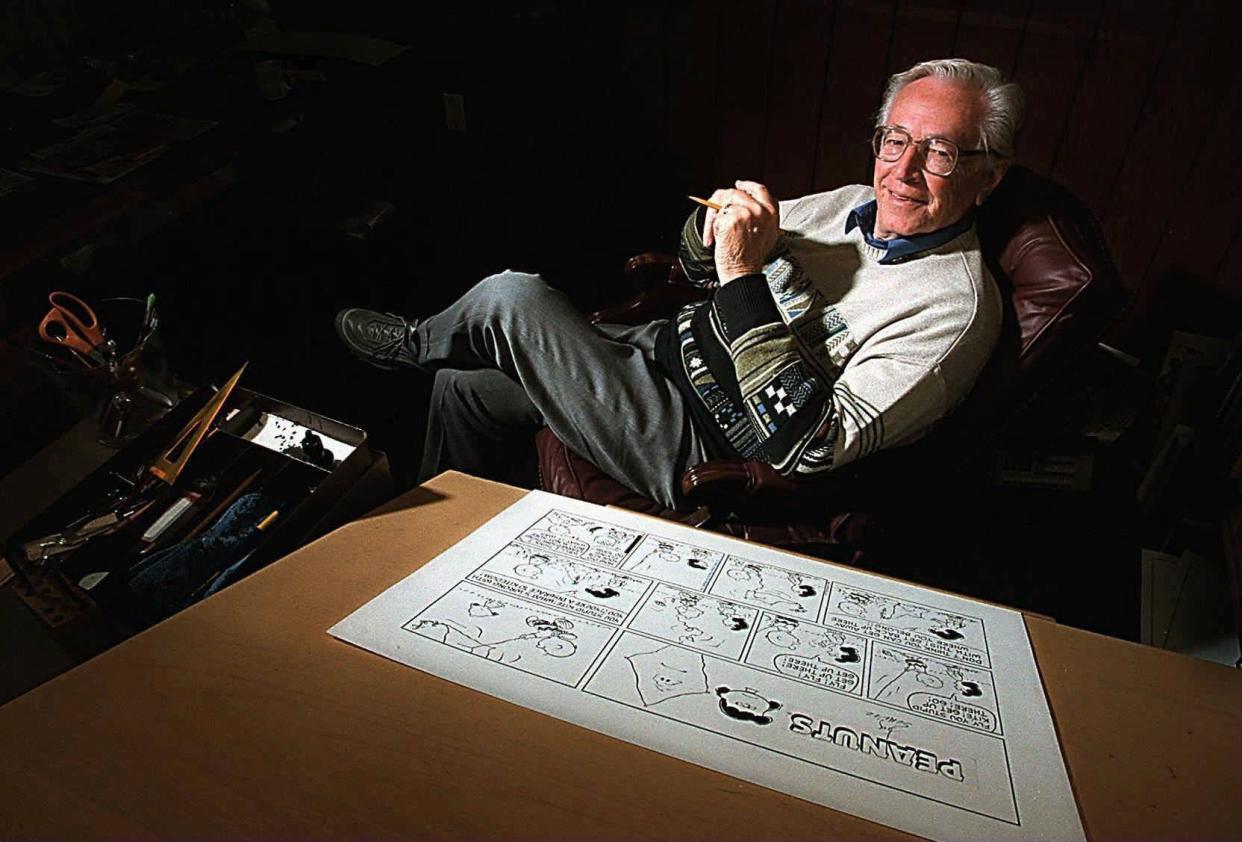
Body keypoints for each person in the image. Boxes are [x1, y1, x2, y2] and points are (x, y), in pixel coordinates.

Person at [335, 58, 1022, 511]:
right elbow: (701, 269)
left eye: (940, 152)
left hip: (700, 442)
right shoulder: (847, 205)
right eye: (895, 140)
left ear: (987, 174)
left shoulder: (952, 309)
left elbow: (809, 447)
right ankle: (430, 534)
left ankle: (414, 343)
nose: (902, 170)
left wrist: (745, 273)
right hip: (661, 359)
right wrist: (717, 231)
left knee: (513, 298)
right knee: (463, 390)